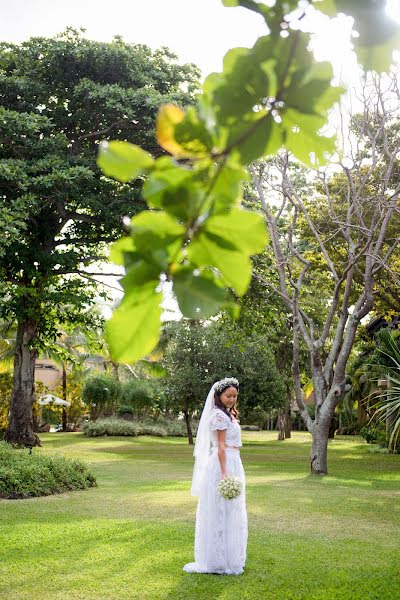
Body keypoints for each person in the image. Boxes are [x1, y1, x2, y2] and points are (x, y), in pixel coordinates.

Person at [183, 377, 248, 575]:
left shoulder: (229, 415)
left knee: (232, 510)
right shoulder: (218, 416)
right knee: (220, 510)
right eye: (228, 395)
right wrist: (224, 473)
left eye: (235, 396)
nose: (232, 399)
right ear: (219, 395)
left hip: (234, 460)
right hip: (223, 463)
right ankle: (217, 560)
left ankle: (230, 557)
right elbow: (219, 446)